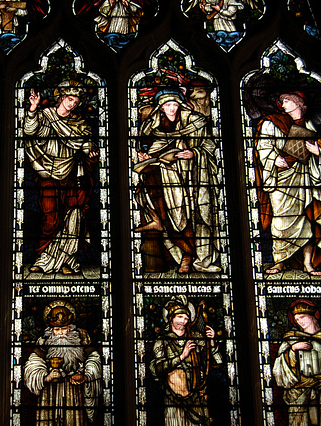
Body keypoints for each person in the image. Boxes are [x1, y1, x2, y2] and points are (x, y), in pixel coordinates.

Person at [133, 88, 222, 273]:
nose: (171, 109)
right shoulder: (152, 126)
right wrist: (144, 156)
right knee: (169, 220)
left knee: (191, 218)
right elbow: (146, 148)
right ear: (161, 107)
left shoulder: (195, 122)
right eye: (167, 105)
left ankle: (194, 258)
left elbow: (209, 145)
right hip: (160, 178)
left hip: (191, 179)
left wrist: (194, 153)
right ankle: (182, 256)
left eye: (174, 104)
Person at [254, 91, 321, 276]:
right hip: (281, 178)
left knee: (307, 219)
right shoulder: (272, 122)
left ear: (299, 102)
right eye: (282, 102)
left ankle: (308, 263)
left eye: (286, 101)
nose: (283, 105)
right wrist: (274, 159)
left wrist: (318, 152)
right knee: (281, 221)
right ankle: (280, 261)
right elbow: (263, 146)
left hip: (304, 177)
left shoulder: (308, 125)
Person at [23, 80, 99, 275]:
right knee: (50, 216)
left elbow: (87, 144)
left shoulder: (79, 123)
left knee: (74, 215)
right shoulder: (45, 116)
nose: (73, 104)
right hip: (47, 172)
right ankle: (44, 258)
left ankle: (69, 261)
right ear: (61, 98)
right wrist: (32, 108)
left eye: (76, 101)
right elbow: (29, 131)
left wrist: (91, 153)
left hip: (73, 173)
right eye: (70, 99)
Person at [23, 300, 103, 425]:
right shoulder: (44, 340)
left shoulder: (81, 337)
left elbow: (94, 359)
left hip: (75, 391)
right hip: (49, 394)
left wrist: (85, 375)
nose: (61, 333)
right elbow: (32, 364)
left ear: (70, 328)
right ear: (51, 329)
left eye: (64, 329)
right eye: (57, 329)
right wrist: (46, 377)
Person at [272, 299, 321, 425]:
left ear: (313, 316)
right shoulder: (291, 339)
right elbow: (279, 369)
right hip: (301, 395)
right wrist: (293, 349)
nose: (300, 321)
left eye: (302, 317)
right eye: (297, 319)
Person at [150, 296, 222, 425]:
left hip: (197, 398)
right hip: (173, 400)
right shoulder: (162, 341)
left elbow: (217, 363)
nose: (184, 321)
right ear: (171, 318)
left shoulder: (197, 338)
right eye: (180, 317)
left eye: (187, 318)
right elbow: (158, 369)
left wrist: (211, 343)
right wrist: (181, 357)